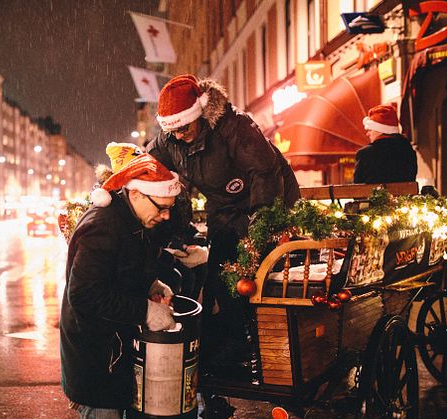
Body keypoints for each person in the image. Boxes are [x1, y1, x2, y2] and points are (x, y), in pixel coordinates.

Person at [146, 74, 300, 372]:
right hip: (224, 209)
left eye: (183, 128)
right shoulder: (171, 138)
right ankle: (234, 344)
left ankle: (272, 348)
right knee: (218, 278)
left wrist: (262, 226)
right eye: (172, 130)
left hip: (267, 200)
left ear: (199, 115)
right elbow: (148, 165)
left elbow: (265, 173)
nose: (178, 135)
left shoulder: (235, 127)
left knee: (257, 277)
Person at [60, 153, 182, 418]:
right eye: (161, 207)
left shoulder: (128, 218)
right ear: (136, 194)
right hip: (96, 360)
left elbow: (122, 268)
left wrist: (151, 284)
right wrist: (145, 311)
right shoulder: (104, 226)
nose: (166, 215)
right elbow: (85, 294)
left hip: (112, 355)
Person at [354, 104, 417, 184]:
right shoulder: (409, 151)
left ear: (380, 130)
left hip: (373, 196)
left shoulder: (365, 154)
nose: (368, 134)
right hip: (402, 196)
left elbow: (357, 188)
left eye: (370, 130)